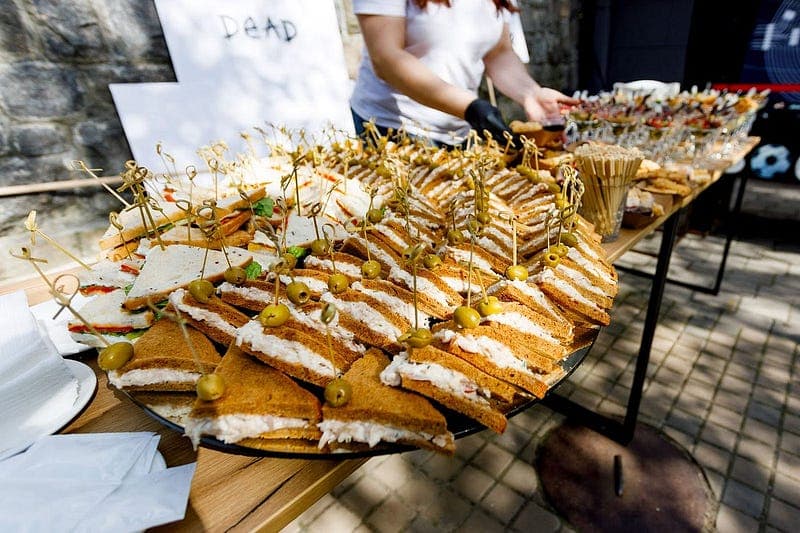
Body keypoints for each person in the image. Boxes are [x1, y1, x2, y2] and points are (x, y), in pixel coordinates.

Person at [350, 0, 578, 147]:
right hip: (393, 128)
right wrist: (470, 107)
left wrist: (531, 93)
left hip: (461, 131)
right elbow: (386, 59)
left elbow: (498, 53)